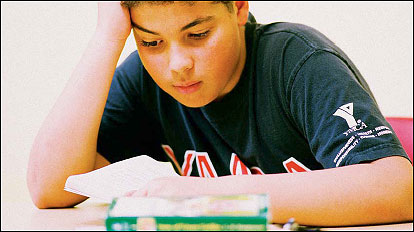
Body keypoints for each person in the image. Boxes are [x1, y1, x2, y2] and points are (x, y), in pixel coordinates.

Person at [27, 1, 412, 226]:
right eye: (151, 41)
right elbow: (51, 187)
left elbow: (399, 188)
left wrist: (199, 194)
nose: (177, 64)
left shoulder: (298, 60)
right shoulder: (144, 80)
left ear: (240, 7)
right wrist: (106, 38)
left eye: (197, 35)